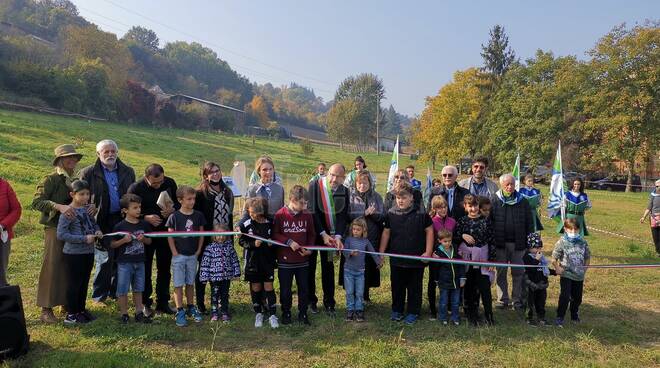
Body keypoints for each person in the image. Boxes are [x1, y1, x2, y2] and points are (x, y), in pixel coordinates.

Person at [79, 139, 136, 304]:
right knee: (104, 258)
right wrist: (88, 205)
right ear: (98, 154)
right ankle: (99, 295)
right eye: (106, 152)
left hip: (122, 219)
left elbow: (132, 194)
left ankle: (116, 292)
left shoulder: (127, 171)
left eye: (113, 151)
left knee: (121, 256)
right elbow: (79, 194)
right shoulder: (88, 172)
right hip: (100, 219)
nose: (110, 154)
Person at [32, 144, 84, 323]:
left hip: (73, 229)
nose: (72, 160)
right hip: (54, 228)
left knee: (68, 265)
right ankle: (46, 309)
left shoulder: (75, 180)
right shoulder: (51, 179)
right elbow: (37, 202)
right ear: (59, 160)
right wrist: (58, 206)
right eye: (67, 157)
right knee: (52, 265)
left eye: (74, 157)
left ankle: (65, 302)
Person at [379, 181, 434, 325]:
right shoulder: (391, 213)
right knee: (397, 285)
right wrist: (381, 253)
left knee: (414, 286)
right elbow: (386, 233)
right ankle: (397, 309)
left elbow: (429, 231)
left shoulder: (421, 213)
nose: (401, 200)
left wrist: (428, 252)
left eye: (404, 197)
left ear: (412, 198)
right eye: (398, 198)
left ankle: (413, 311)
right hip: (397, 258)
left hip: (416, 259)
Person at [128, 163, 179, 316]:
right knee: (145, 268)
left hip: (165, 233)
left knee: (164, 267)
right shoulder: (136, 188)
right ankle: (145, 303)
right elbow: (127, 210)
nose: (158, 185)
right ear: (146, 178)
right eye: (154, 183)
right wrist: (146, 218)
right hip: (145, 234)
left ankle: (163, 302)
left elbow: (177, 201)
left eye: (160, 182)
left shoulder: (169, 183)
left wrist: (172, 209)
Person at [56, 179, 102, 324]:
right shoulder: (68, 212)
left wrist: (98, 230)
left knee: (84, 282)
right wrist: (84, 239)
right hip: (74, 254)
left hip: (88, 252)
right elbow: (61, 234)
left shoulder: (87, 210)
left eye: (87, 194)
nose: (85, 197)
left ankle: (81, 310)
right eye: (81, 194)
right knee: (74, 284)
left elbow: (93, 223)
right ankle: (71, 314)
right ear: (72, 194)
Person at [308, 163, 350, 315]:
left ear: (343, 178)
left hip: (331, 237)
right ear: (327, 173)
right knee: (310, 269)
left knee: (328, 269)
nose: (334, 179)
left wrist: (338, 236)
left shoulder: (345, 191)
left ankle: (329, 303)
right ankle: (310, 302)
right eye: (332, 174)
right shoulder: (314, 185)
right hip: (314, 235)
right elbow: (312, 211)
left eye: (338, 176)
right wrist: (322, 234)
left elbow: (342, 216)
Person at [194, 161, 234, 314]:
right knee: (204, 271)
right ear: (206, 175)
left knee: (222, 271)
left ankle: (220, 303)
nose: (216, 174)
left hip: (224, 238)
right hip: (206, 238)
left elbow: (230, 215)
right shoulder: (200, 194)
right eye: (211, 172)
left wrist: (229, 235)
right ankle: (200, 303)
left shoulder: (228, 192)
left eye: (217, 170)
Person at [273, 185, 315, 326]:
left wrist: (309, 249)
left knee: (304, 288)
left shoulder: (307, 215)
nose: (305, 205)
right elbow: (275, 234)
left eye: (306, 202)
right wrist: (288, 241)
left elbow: (311, 234)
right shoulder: (280, 215)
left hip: (302, 260)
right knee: (285, 290)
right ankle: (286, 312)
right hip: (285, 261)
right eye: (302, 202)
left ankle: (303, 313)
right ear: (292, 199)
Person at [165, 185, 206, 327]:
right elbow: (170, 236)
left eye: (194, 199)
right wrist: (174, 252)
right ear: (180, 200)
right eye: (189, 199)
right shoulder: (174, 217)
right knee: (178, 284)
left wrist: (198, 250)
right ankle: (180, 309)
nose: (192, 201)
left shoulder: (198, 215)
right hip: (178, 256)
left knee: (190, 282)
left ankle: (191, 307)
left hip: (192, 255)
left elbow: (201, 234)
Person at [491, 174, 533, 311]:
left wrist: (529, 242)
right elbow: (490, 222)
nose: (509, 187)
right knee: (501, 272)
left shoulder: (523, 201)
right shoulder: (494, 200)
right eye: (507, 184)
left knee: (518, 273)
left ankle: (517, 300)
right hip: (500, 244)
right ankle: (502, 299)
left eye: (512, 184)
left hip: (518, 244)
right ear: (501, 185)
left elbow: (529, 223)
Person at [110, 194, 152, 324]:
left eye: (139, 207)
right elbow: (112, 244)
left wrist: (143, 239)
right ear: (125, 210)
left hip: (140, 262)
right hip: (124, 263)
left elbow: (150, 241)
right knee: (122, 289)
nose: (138, 210)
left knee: (138, 288)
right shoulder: (120, 226)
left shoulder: (144, 224)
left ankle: (139, 312)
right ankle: (124, 314)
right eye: (135, 208)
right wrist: (123, 240)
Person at [455, 194, 496, 326]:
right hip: (467, 260)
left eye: (475, 205)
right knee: (469, 287)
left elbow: (492, 241)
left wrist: (491, 260)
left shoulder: (486, 221)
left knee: (484, 287)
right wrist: (462, 235)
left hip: (482, 259)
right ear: (465, 207)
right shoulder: (462, 221)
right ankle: (470, 314)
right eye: (470, 206)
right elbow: (454, 238)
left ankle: (489, 315)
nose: (473, 209)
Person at [238, 197, 278, 328]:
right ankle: (258, 313)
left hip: (267, 262)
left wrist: (273, 244)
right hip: (252, 262)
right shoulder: (247, 224)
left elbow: (277, 239)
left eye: (252, 213)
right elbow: (241, 241)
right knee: (256, 287)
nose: (250, 215)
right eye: (249, 212)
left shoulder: (271, 223)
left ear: (260, 212)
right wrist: (253, 244)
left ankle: (272, 314)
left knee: (269, 287)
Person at [346, 170, 384, 302]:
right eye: (359, 183)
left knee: (367, 267)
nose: (362, 185)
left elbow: (382, 217)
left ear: (370, 183)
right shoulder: (350, 196)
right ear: (356, 183)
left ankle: (365, 295)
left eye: (365, 182)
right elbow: (348, 215)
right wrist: (364, 212)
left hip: (371, 238)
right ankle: (354, 295)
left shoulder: (377, 197)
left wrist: (373, 214)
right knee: (355, 265)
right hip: (355, 238)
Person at [198, 224, 241, 323]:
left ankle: (224, 312)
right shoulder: (210, 248)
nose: (221, 237)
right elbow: (205, 263)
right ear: (214, 235)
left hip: (226, 277)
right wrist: (204, 277)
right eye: (218, 235)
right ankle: (214, 313)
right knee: (214, 295)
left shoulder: (230, 247)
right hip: (214, 278)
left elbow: (234, 261)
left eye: (223, 235)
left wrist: (237, 273)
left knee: (225, 295)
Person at [552, 218, 590, 327]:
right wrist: (557, 268)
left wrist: (584, 269)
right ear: (565, 229)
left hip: (579, 276)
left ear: (579, 230)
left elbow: (587, 257)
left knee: (577, 297)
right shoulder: (561, 242)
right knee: (565, 296)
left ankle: (574, 314)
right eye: (570, 229)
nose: (573, 232)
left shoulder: (583, 242)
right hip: (566, 274)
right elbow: (554, 258)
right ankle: (560, 316)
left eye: (575, 230)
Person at [342, 217, 381, 322]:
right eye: (354, 229)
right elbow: (344, 252)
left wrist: (378, 262)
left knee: (360, 292)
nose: (355, 231)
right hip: (348, 272)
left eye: (358, 230)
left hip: (360, 272)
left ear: (363, 230)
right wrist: (350, 253)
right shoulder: (348, 240)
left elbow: (372, 252)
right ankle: (350, 310)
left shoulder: (365, 241)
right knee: (349, 292)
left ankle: (359, 310)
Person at [427, 195, 456, 319]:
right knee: (433, 282)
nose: (443, 210)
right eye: (439, 208)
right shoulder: (431, 221)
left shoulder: (452, 221)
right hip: (436, 257)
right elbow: (429, 239)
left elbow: (455, 239)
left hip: (449, 257)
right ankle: (433, 309)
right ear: (434, 208)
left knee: (448, 281)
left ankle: (448, 306)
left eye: (444, 207)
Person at [433, 229, 465, 326]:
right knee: (443, 301)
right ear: (439, 241)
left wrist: (463, 278)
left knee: (455, 302)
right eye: (445, 241)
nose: (447, 243)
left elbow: (461, 264)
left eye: (449, 241)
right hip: (444, 282)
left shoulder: (456, 249)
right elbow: (435, 268)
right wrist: (436, 279)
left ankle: (455, 317)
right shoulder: (437, 253)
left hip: (456, 281)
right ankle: (443, 317)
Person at [523, 233, 551, 326]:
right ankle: (529, 318)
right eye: (537, 248)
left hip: (541, 284)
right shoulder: (527, 257)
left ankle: (541, 317)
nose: (539, 250)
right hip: (531, 285)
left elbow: (544, 268)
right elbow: (531, 269)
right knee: (530, 302)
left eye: (540, 248)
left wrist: (555, 272)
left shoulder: (541, 258)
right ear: (530, 247)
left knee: (541, 302)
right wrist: (537, 260)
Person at [0, 177, 21, 287]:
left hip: (2, 235)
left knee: (1, 276)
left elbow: (16, 209)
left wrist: (2, 225)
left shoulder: (4, 185)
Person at [640, 179, 660, 255]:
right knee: (655, 237)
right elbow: (649, 207)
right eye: (656, 186)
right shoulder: (653, 195)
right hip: (654, 219)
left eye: (658, 186)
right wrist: (643, 217)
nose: (657, 187)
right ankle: (658, 252)